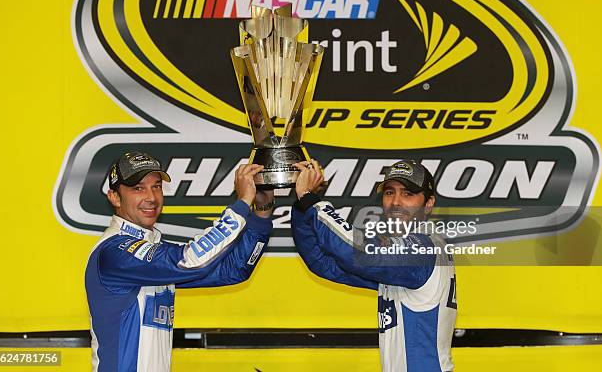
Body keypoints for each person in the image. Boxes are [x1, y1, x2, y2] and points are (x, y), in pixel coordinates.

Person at [85, 151, 274, 372]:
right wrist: (242, 204)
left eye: (156, 186)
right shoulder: (114, 251)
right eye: (138, 188)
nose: (151, 197)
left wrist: (262, 212)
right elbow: (191, 261)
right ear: (115, 197)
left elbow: (234, 270)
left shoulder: (149, 258)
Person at [291, 159, 456, 372]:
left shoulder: (422, 250)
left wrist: (311, 200)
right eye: (389, 192)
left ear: (429, 203)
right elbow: (323, 262)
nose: (396, 202)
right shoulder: (402, 264)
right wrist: (303, 207)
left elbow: (358, 253)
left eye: (408, 194)